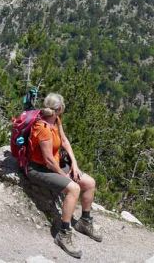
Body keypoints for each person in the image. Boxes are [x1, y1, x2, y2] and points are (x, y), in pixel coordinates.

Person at [27, 93, 102, 259]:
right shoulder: (43, 128)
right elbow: (47, 161)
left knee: (89, 182)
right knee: (73, 188)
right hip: (39, 170)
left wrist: (74, 165)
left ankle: (84, 221)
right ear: (59, 108)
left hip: (56, 165)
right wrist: (64, 176)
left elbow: (65, 141)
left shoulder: (55, 120)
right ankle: (63, 232)